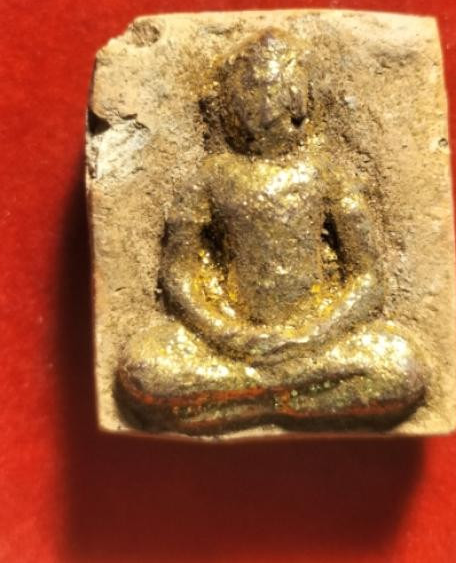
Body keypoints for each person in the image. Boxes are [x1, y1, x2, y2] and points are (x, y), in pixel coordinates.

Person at [118, 29, 425, 433]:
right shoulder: (208, 178)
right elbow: (177, 278)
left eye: (277, 96)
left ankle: (246, 401)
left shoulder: (325, 176)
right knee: (143, 366)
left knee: (402, 364)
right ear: (226, 104)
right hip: (232, 346)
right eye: (250, 94)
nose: (263, 109)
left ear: (303, 105)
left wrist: (313, 335)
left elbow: (369, 279)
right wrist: (227, 334)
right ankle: (291, 399)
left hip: (318, 344)